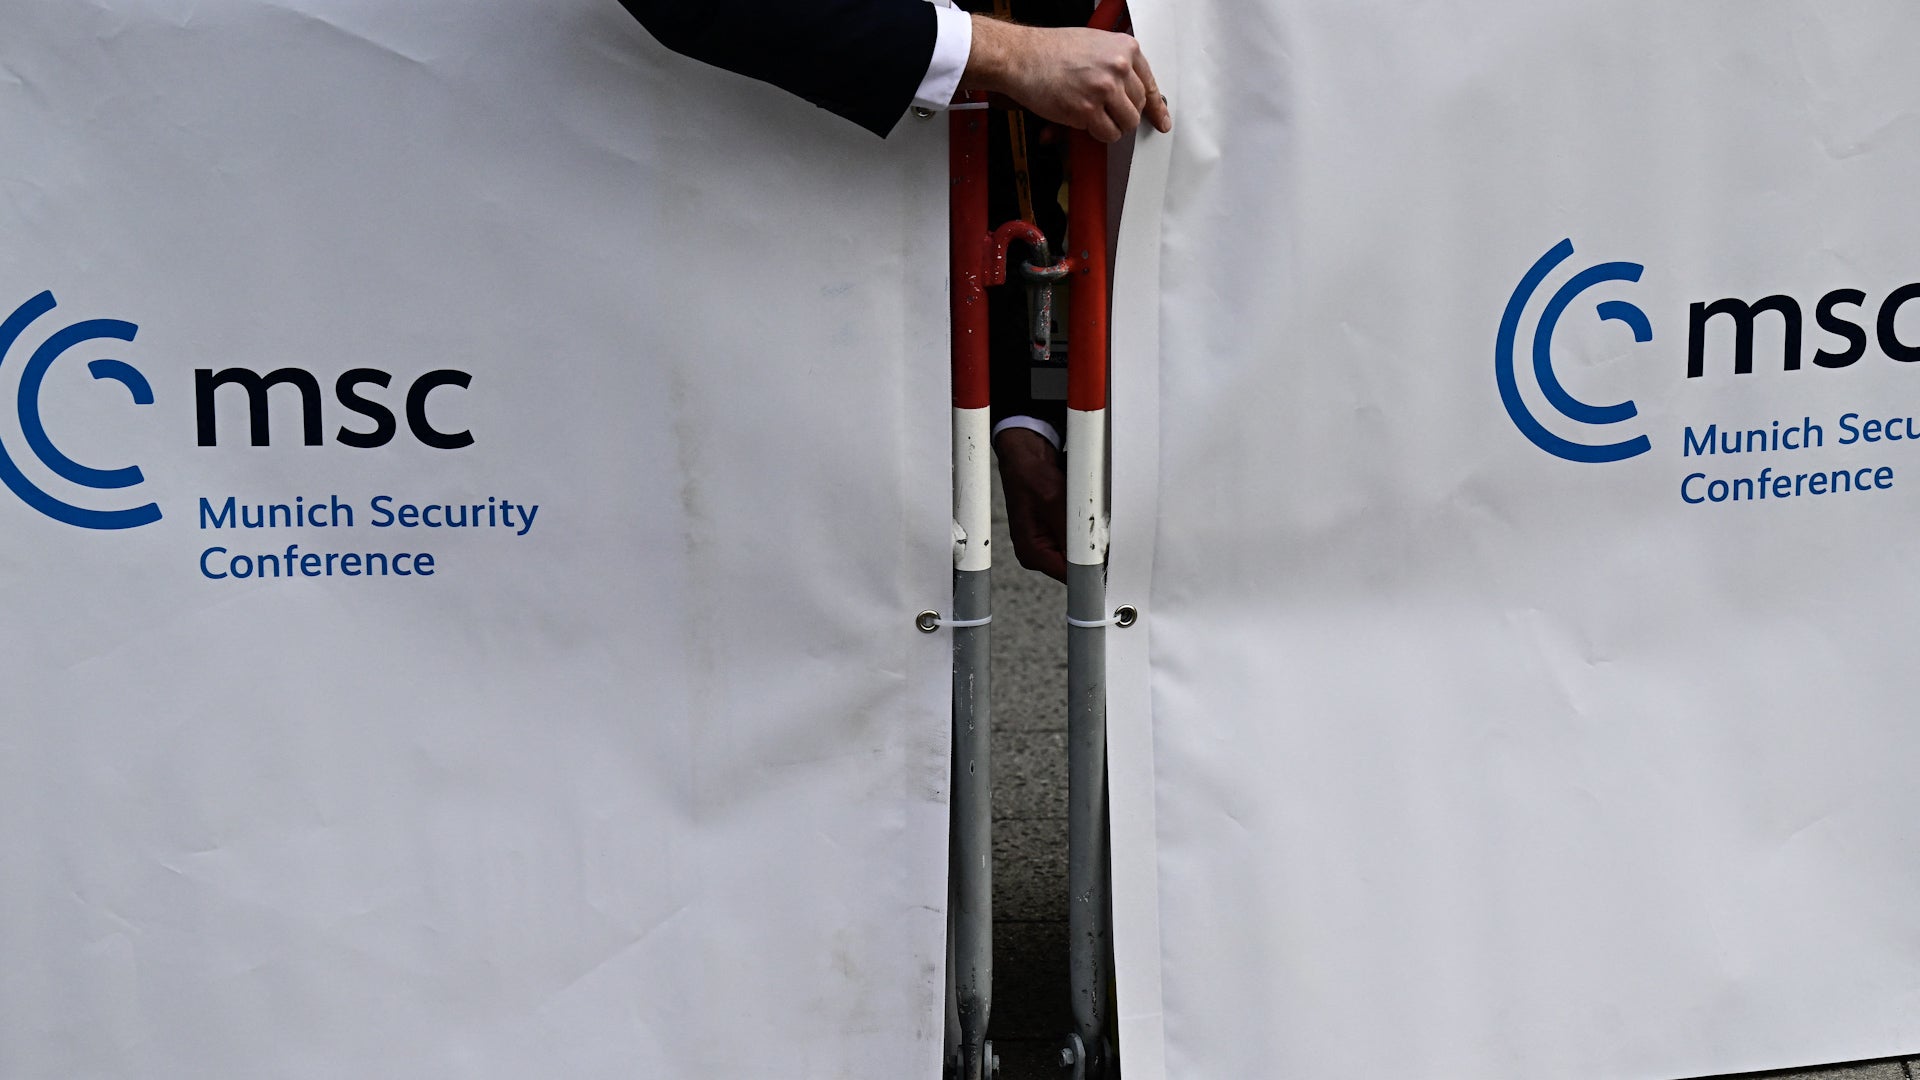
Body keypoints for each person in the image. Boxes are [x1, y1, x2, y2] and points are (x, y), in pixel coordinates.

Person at [616, 0, 1171, 580]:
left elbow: (1028, 133)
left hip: (836, 338)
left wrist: (1024, 420)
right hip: (701, 291)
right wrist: (1002, 54)